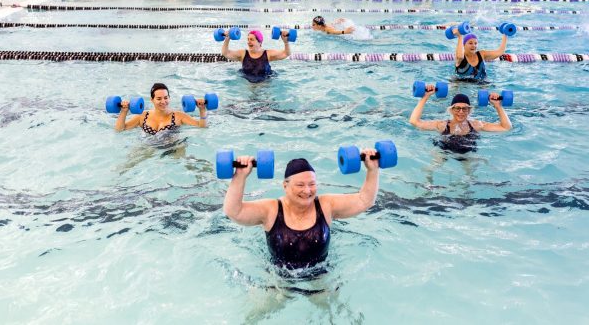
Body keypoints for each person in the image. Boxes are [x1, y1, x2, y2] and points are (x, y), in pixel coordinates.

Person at [222, 154, 380, 270]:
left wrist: (372, 170)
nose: (308, 190)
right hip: (278, 280)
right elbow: (233, 212)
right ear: (285, 186)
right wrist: (240, 176)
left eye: (312, 184)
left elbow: (365, 200)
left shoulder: (325, 205)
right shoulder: (271, 209)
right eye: (300, 185)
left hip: (320, 277)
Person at [409, 86, 512, 154]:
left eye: (465, 108)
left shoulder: (476, 125)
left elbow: (505, 127)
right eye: (457, 108)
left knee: (470, 176)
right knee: (432, 168)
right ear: (452, 110)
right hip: (444, 150)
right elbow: (414, 121)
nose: (461, 112)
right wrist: (425, 97)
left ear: (469, 110)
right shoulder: (442, 125)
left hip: (468, 153)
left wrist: (498, 106)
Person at [114, 83, 207, 133]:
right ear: (152, 100)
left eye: (166, 98)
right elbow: (119, 129)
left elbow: (202, 126)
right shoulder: (142, 116)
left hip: (174, 147)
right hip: (150, 147)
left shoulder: (179, 116)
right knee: (129, 163)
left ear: (169, 98)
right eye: (159, 98)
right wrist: (123, 111)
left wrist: (202, 110)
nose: (163, 102)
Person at [221, 30, 290, 82]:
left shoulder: (267, 54)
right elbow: (225, 53)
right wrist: (227, 39)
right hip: (248, 86)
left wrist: (286, 42)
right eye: (248, 39)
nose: (248, 42)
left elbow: (286, 53)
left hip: (265, 85)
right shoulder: (243, 54)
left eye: (252, 39)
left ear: (259, 42)